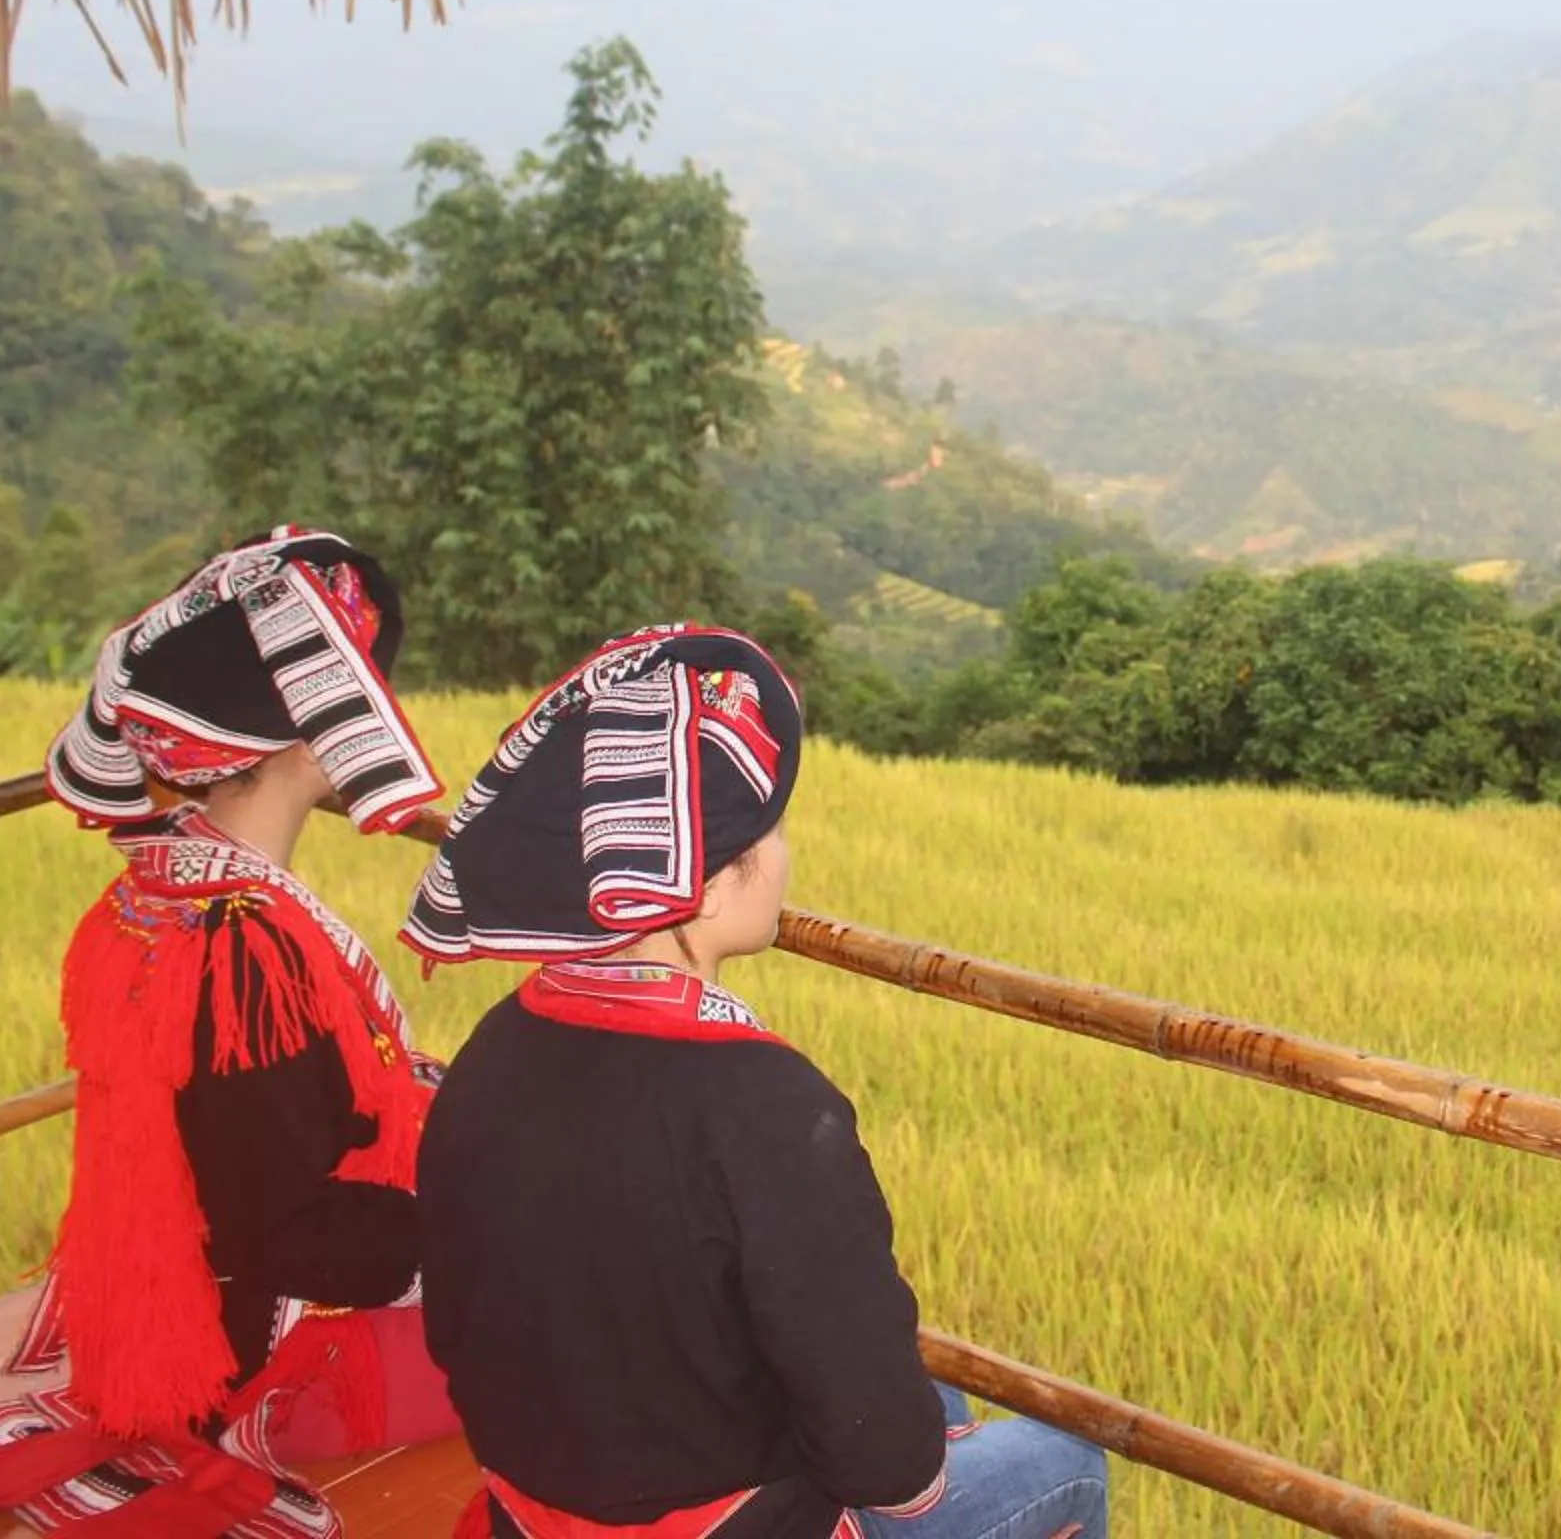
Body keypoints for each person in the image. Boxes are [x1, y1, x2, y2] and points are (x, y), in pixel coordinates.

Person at [403, 622, 1110, 1539]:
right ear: (708, 876)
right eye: (769, 829)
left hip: (531, 1517)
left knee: (925, 1394)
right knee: (1066, 1461)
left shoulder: (498, 1045)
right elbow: (890, 1470)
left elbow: (457, 1329)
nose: (782, 854)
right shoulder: (766, 1105)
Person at [0, 526, 461, 1538]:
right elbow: (286, 1229)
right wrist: (477, 1235)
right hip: (268, 1358)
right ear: (303, 732)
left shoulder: (160, 891)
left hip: (182, 1314)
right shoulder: (248, 948)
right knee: (589, 1306)